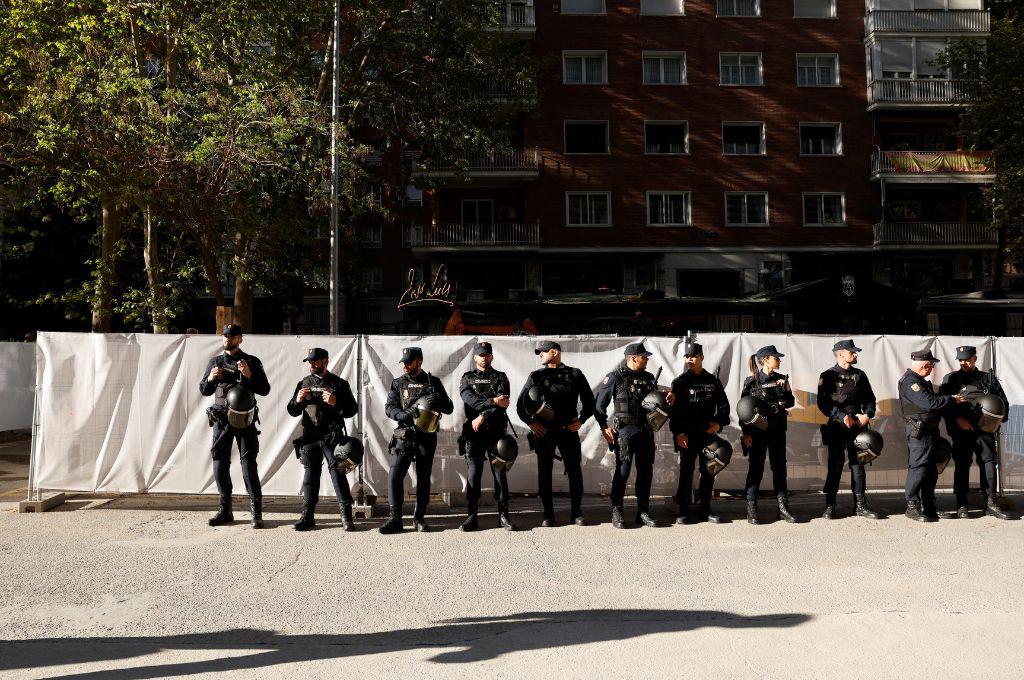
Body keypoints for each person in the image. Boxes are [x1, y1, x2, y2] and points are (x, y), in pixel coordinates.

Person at [516, 340, 596, 527]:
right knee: (544, 472)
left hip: (568, 430)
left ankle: (577, 513)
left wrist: (581, 420)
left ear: (554, 352)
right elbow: (521, 405)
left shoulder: (574, 374)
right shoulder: (535, 376)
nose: (540, 356)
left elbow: (590, 403)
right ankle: (548, 515)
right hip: (544, 432)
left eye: (543, 352)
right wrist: (531, 423)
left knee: (574, 471)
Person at [198, 324, 270, 528]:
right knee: (220, 461)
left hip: (245, 419)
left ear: (240, 339)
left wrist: (249, 375)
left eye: (232, 336)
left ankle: (256, 512)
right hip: (221, 419)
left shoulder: (251, 361)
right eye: (225, 336)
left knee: (248, 463)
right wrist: (211, 379)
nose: (227, 339)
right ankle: (225, 510)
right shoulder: (215, 361)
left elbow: (265, 389)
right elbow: (203, 389)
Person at [379, 347, 454, 534]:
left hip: (426, 435)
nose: (405, 365)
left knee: (423, 477)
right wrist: (403, 414)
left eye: (409, 362)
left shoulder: (432, 382)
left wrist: (439, 401)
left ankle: (419, 518)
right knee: (395, 475)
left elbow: (449, 408)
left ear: (419, 361)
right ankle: (395, 518)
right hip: (404, 435)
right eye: (403, 362)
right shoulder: (398, 383)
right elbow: (389, 407)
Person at [286, 347, 359, 531]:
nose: (311, 364)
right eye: (309, 362)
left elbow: (352, 410)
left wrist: (336, 402)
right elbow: (292, 410)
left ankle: (346, 516)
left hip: (332, 437)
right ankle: (308, 516)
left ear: (325, 361)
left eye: (315, 361)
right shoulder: (303, 383)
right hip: (310, 437)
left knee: (338, 474)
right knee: (310, 476)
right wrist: (298, 400)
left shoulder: (339, 383)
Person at [594, 342, 665, 528]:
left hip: (646, 431)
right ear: (633, 358)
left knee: (645, 472)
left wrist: (667, 399)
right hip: (625, 431)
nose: (647, 359)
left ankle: (643, 511)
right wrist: (604, 426)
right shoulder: (616, 377)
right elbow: (599, 405)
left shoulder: (650, 378)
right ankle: (617, 510)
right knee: (623, 471)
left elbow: (655, 405)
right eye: (644, 356)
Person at [938, 345, 1010, 519]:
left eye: (967, 359)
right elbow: (943, 405)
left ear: (975, 359)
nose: (964, 362)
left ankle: (991, 502)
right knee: (962, 465)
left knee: (988, 463)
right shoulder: (951, 379)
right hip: (961, 430)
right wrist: (957, 420)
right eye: (961, 359)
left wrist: (995, 422)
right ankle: (961, 504)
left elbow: (1003, 405)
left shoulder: (988, 379)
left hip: (984, 431)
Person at [898, 349, 966, 521]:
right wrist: (951, 399)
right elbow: (928, 403)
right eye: (931, 366)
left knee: (930, 470)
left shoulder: (921, 381)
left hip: (930, 431)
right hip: (919, 433)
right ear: (925, 365)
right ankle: (912, 506)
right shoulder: (910, 382)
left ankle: (929, 507)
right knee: (918, 469)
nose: (932, 370)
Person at [816, 339, 881, 520]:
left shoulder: (860, 375)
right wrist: (840, 416)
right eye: (852, 352)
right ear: (841, 354)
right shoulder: (827, 376)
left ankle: (860, 505)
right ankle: (830, 506)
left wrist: (867, 414)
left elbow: (870, 400)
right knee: (835, 467)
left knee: (858, 466)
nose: (856, 354)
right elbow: (824, 403)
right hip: (837, 427)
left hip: (858, 427)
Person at [668, 342, 730, 524]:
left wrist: (718, 424)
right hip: (687, 434)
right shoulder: (680, 382)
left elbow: (724, 407)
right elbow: (674, 413)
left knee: (708, 471)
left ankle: (705, 510)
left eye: (693, 356)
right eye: (687, 357)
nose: (690, 360)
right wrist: (679, 434)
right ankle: (684, 511)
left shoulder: (712, 381)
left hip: (707, 432)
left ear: (702, 357)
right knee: (686, 472)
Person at [457, 341, 516, 532]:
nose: (484, 357)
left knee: (500, 476)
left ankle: (504, 516)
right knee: (474, 477)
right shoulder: (467, 378)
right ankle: (472, 517)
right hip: (474, 435)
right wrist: (492, 401)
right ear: (475, 357)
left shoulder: (500, 377)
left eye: (487, 354)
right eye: (481, 354)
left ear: (491, 356)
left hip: (496, 433)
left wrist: (483, 415)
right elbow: (470, 400)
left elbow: (504, 402)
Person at [740, 345, 796, 525]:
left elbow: (790, 402)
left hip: (777, 430)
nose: (779, 360)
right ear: (765, 360)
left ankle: (783, 509)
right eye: (776, 358)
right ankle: (751, 510)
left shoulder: (782, 378)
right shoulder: (751, 382)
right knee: (755, 469)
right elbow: (744, 409)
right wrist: (745, 433)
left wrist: (786, 388)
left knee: (779, 469)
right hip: (757, 433)